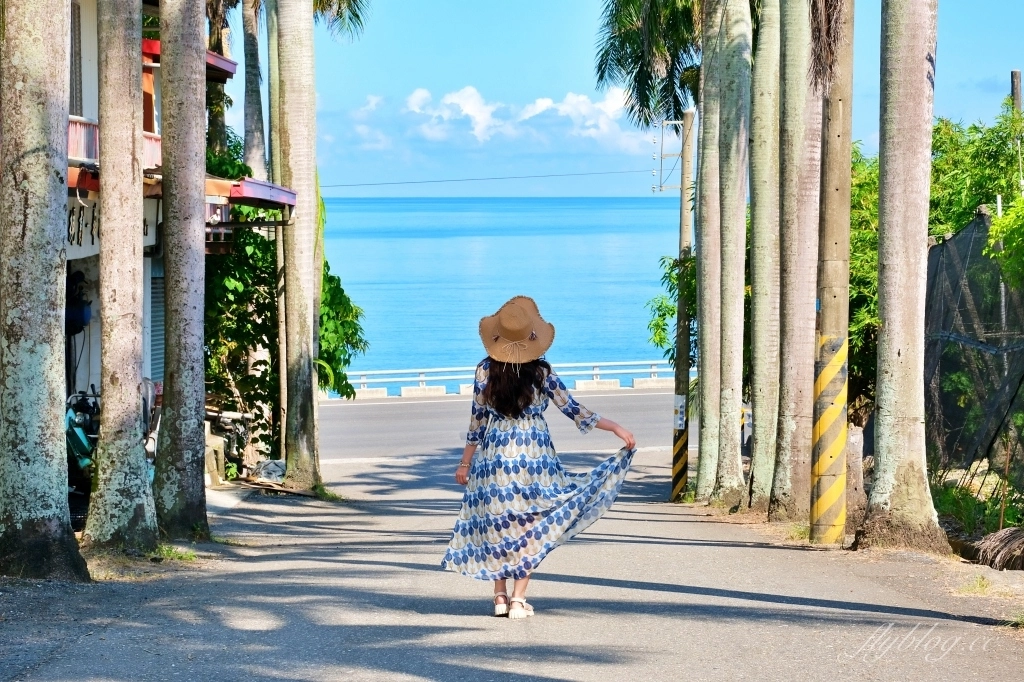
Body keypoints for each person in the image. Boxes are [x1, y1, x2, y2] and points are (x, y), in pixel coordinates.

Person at [440, 296, 636, 620]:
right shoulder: (542, 372)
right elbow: (573, 409)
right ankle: (518, 600)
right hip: (534, 457)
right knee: (531, 524)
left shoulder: (484, 370)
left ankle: (499, 596)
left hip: (495, 456)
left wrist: (465, 463)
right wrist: (615, 427)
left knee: (497, 523)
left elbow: (476, 421)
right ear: (531, 336)